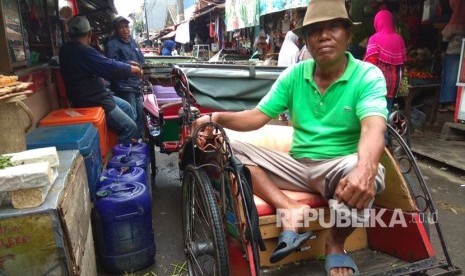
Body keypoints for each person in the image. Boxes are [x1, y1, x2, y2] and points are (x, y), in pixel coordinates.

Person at [194, 0, 387, 274]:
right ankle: (289, 207)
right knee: (229, 148)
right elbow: (257, 116)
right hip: (296, 165)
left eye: (332, 27)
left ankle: (334, 245)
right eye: (314, 30)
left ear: (348, 34)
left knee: (371, 173)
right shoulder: (293, 75)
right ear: (306, 40)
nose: (323, 36)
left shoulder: (367, 75)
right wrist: (216, 118)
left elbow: (373, 127)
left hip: (338, 166)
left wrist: (365, 170)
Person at [59, 15, 141, 144]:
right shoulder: (83, 51)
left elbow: (105, 63)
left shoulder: (66, 49)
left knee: (127, 108)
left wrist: (127, 64)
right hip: (94, 100)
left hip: (98, 95)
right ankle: (117, 156)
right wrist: (132, 69)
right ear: (90, 33)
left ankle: (125, 145)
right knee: (131, 127)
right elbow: (110, 67)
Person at [105, 16, 146, 139]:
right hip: (124, 86)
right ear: (116, 30)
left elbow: (141, 60)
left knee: (140, 115)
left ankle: (138, 142)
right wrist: (129, 65)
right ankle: (130, 144)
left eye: (126, 27)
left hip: (137, 85)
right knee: (131, 116)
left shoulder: (132, 42)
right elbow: (112, 64)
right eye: (121, 27)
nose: (125, 30)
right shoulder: (112, 44)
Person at [364, 9, 407, 112]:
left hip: (377, 82)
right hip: (394, 83)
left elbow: (370, 64)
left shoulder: (374, 39)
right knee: (387, 108)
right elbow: (404, 61)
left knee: (374, 110)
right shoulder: (399, 39)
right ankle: (386, 126)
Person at [438, 0, 465, 112]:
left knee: (451, 77)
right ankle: (450, 102)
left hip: (454, 52)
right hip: (460, 53)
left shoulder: (458, 17)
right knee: (455, 77)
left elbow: (446, 34)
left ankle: (447, 102)